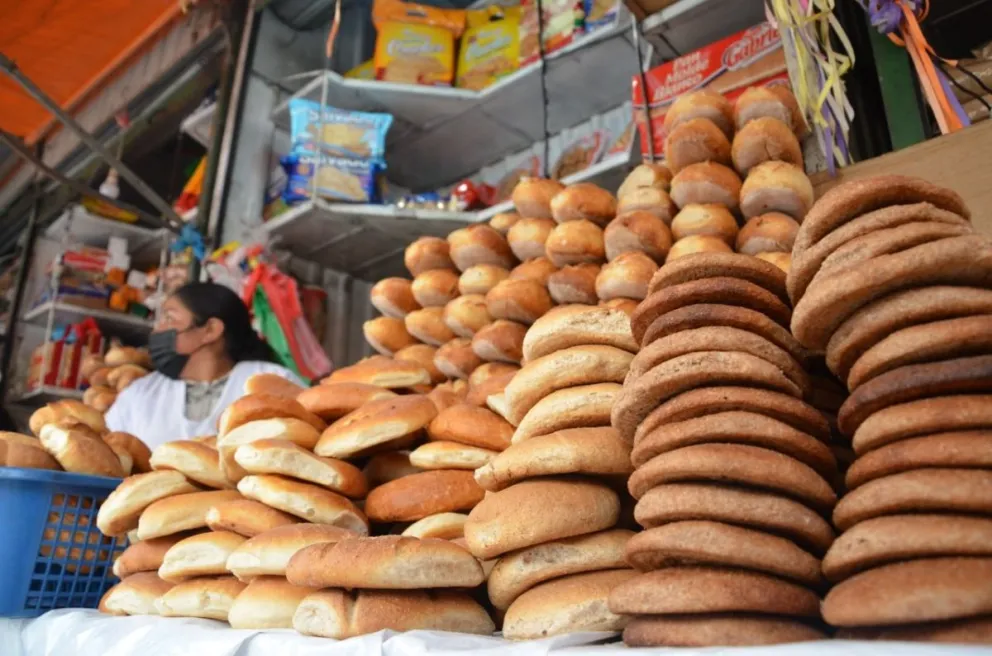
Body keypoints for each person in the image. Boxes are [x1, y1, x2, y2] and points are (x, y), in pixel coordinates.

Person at [105, 282, 305, 449]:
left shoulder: (273, 381)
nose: (157, 331)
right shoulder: (139, 395)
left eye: (169, 318)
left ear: (210, 330)